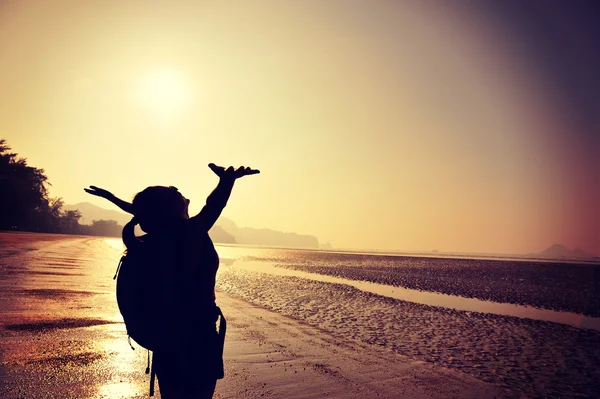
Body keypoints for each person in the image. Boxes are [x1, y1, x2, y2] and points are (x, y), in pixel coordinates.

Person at [85, 163, 259, 398]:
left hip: (165, 337)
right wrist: (226, 181)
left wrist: (113, 198)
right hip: (198, 337)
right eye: (172, 190)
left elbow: (147, 212)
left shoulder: (154, 239)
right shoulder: (190, 231)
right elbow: (214, 205)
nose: (175, 188)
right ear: (172, 209)